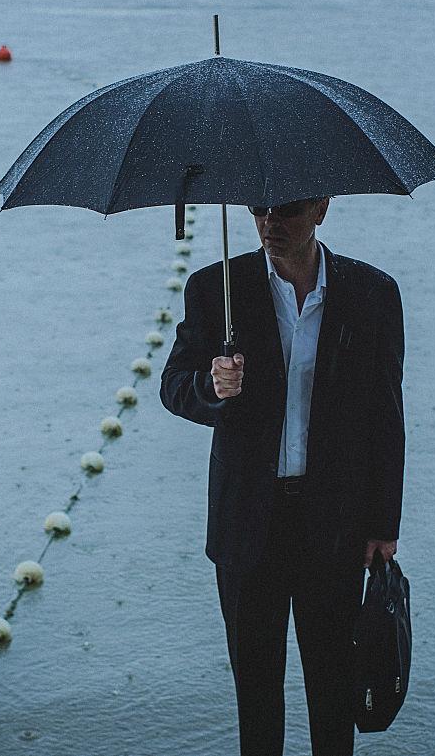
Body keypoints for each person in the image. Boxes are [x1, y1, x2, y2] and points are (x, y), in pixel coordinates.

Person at [159, 196, 405, 756]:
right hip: (247, 524)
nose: (270, 222)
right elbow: (173, 385)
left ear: (321, 208)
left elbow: (387, 416)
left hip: (334, 525)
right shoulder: (214, 289)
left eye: (288, 209)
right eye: (259, 208)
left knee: (334, 691)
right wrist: (210, 388)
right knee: (257, 696)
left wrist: (383, 524)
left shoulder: (372, 293)